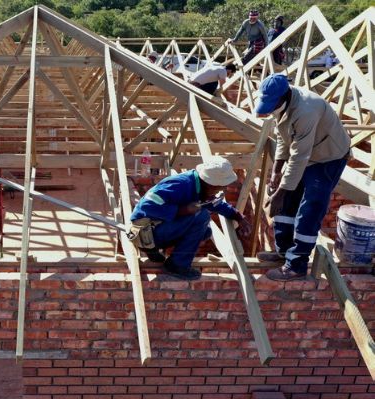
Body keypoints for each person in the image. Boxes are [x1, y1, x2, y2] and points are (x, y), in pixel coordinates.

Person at [255, 74, 350, 281]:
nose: (270, 110)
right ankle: (284, 253)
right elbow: (282, 138)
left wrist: (280, 192)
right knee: (287, 201)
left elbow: (299, 156)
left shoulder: (306, 110)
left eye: (272, 106)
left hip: (327, 157)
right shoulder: (281, 104)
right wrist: (276, 172)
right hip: (306, 153)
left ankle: (296, 264)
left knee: (309, 207)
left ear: (285, 95)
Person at [129, 157, 251, 280]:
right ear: (210, 183)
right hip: (145, 231)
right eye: (219, 187)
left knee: (205, 232)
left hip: (156, 230)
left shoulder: (202, 187)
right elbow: (146, 206)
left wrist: (238, 217)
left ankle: (153, 250)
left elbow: (214, 203)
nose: (221, 190)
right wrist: (182, 211)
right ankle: (176, 265)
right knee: (202, 216)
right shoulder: (180, 184)